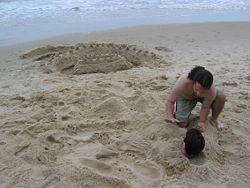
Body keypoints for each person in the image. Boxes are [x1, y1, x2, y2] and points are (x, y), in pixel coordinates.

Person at [165, 66, 226, 132]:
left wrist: (201, 122)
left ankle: (214, 119)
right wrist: (170, 116)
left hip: (204, 98)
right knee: (182, 124)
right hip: (186, 97)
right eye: (196, 89)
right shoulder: (183, 82)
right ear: (193, 82)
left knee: (221, 96)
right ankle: (177, 107)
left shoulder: (211, 90)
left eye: (203, 91)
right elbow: (170, 101)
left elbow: (205, 107)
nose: (199, 93)